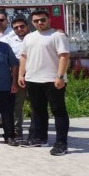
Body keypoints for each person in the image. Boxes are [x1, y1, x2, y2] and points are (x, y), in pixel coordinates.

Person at [18, 10, 71, 156]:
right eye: (36, 21)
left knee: (58, 111)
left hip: (53, 80)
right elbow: (23, 57)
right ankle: (39, 138)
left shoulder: (57, 35)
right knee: (38, 110)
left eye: (42, 20)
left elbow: (64, 56)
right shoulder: (28, 37)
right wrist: (21, 75)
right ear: (32, 23)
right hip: (33, 79)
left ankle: (61, 144)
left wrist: (60, 76)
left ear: (49, 20)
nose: (39, 23)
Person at [0, 17, 31, 139]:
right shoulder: (9, 41)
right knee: (17, 104)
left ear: (27, 26)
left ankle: (36, 129)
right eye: (16, 28)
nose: (19, 29)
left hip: (35, 73)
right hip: (17, 74)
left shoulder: (34, 38)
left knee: (37, 104)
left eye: (22, 26)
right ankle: (18, 130)